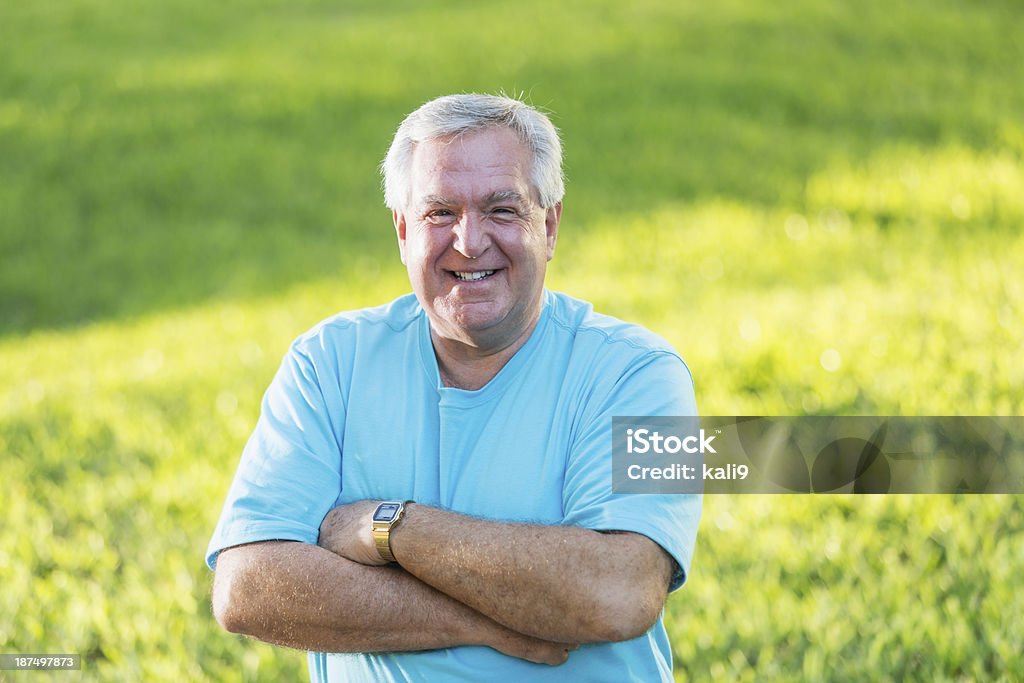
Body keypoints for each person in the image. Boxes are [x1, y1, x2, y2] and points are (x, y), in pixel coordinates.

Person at [206, 93, 701, 682]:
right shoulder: (327, 362)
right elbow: (248, 588)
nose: (469, 242)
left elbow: (619, 591)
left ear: (550, 225)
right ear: (402, 231)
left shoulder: (643, 374)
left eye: (502, 210)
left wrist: (389, 527)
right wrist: (490, 621)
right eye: (440, 213)